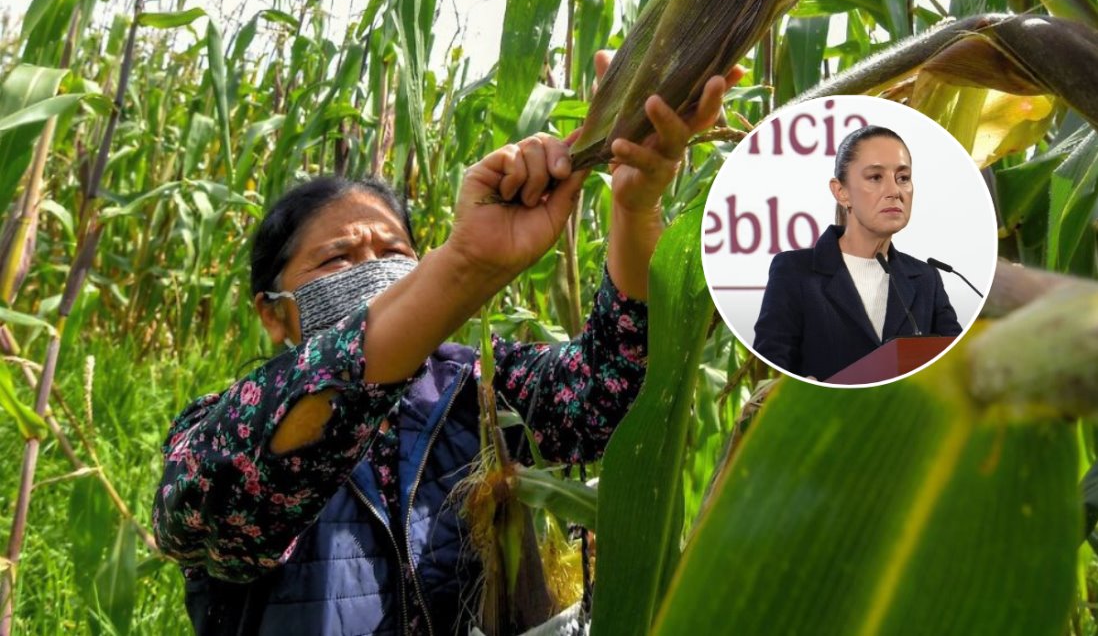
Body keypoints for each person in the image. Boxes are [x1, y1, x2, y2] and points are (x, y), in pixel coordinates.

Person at [152, 54, 742, 635]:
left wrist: (635, 206)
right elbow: (212, 515)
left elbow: (611, 393)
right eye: (337, 258)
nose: (372, 270)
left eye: (393, 255)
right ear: (273, 315)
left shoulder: (477, 386)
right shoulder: (227, 428)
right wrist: (463, 269)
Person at [752, 124, 961, 382]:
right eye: (875, 177)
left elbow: (960, 361)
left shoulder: (926, 278)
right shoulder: (794, 272)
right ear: (842, 192)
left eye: (903, 178)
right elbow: (772, 364)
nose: (894, 191)